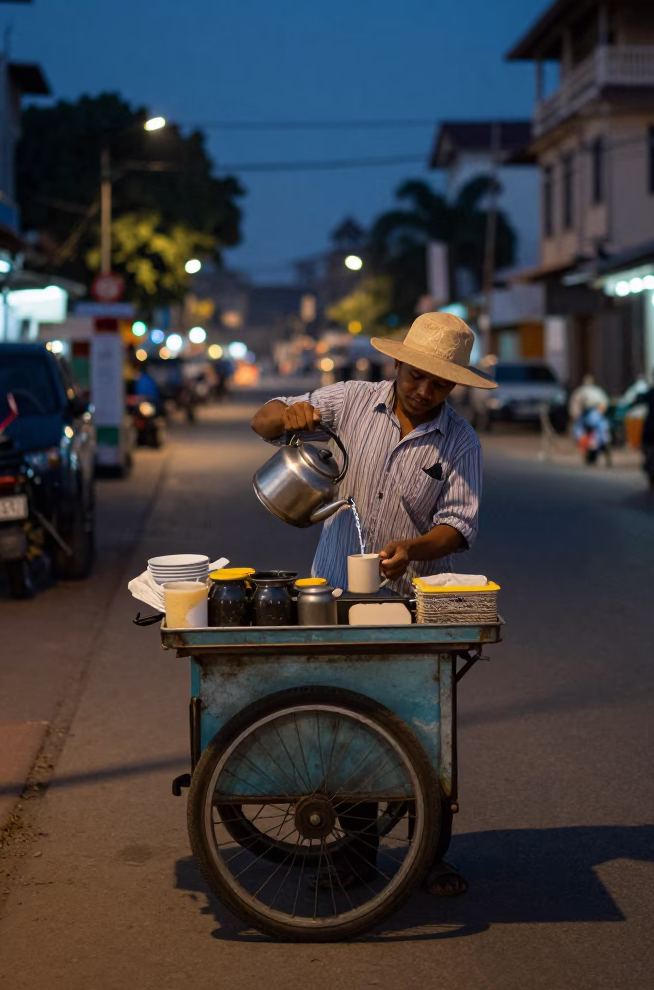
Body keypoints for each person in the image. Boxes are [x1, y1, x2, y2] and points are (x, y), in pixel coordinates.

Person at [251, 311, 496, 898]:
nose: (424, 390)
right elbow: (263, 418)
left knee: (422, 729)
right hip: (333, 593)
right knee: (345, 727)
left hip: (413, 605)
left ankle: (430, 853)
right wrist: (289, 415)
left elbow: (459, 526)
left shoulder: (460, 442)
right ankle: (356, 852)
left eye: (439, 383)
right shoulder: (352, 401)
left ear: (454, 385)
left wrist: (412, 548)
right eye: (417, 376)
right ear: (398, 364)